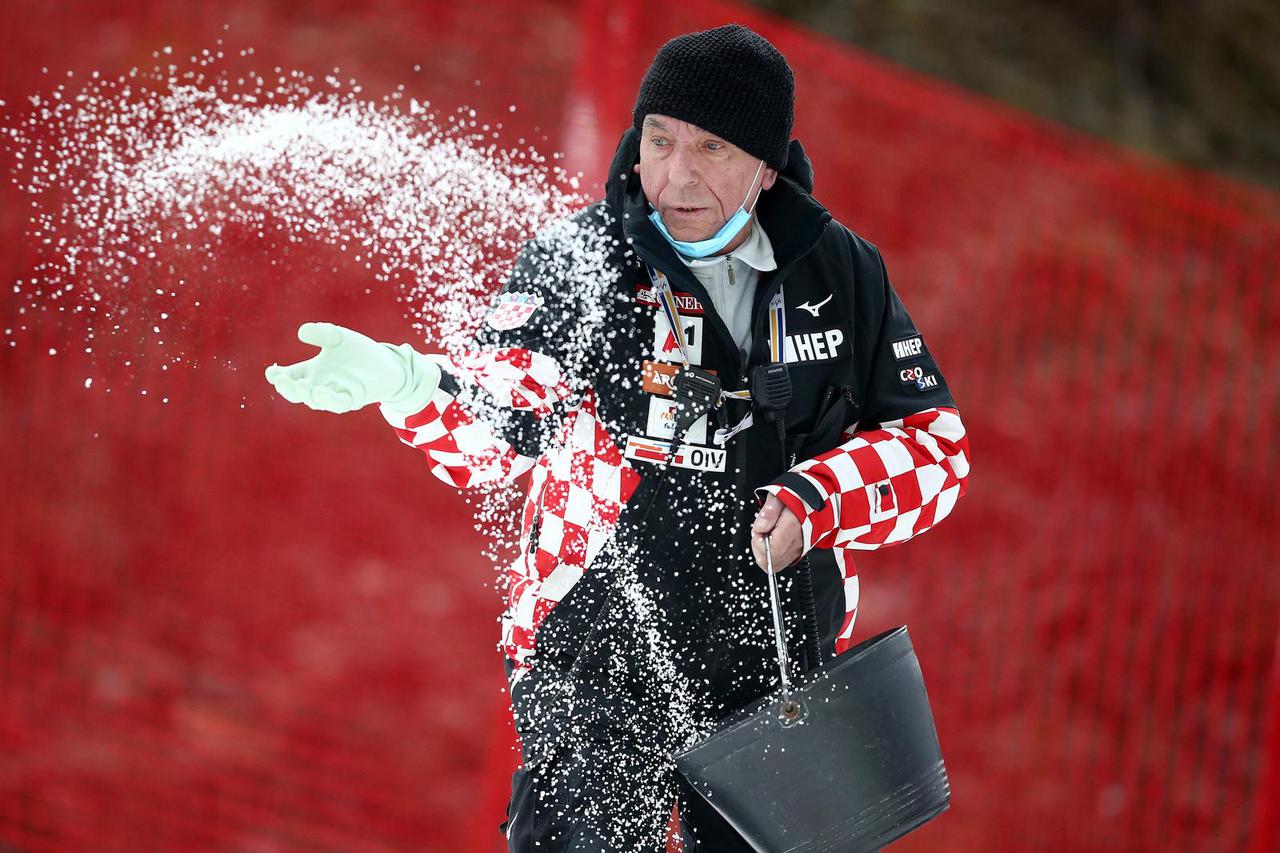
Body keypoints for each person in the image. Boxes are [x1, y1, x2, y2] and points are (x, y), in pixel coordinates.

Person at [265, 23, 970, 853]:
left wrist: (820, 497)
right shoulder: (581, 261)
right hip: (591, 658)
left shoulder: (841, 272)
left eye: (711, 148)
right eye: (660, 140)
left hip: (777, 669)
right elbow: (502, 421)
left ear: (767, 168)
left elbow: (934, 446)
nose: (677, 172)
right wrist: (409, 382)